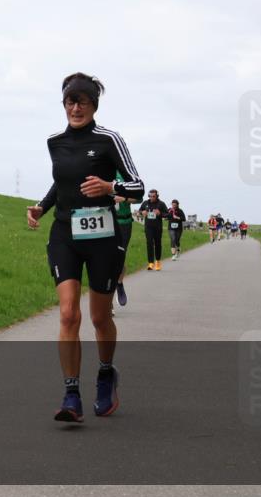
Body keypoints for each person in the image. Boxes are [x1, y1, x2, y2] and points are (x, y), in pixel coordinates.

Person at [27, 73, 144, 423]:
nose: (75, 107)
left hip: (102, 238)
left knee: (99, 317)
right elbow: (60, 181)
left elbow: (137, 186)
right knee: (67, 314)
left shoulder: (109, 139)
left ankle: (106, 372)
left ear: (94, 105)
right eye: (70, 101)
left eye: (83, 101)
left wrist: (110, 187)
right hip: (65, 233)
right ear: (63, 104)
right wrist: (41, 207)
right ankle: (71, 393)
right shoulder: (54, 142)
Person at [112, 171, 134, 307]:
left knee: (120, 259)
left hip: (125, 223)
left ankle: (119, 283)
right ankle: (108, 304)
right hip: (107, 221)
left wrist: (124, 199)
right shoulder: (99, 169)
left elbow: (138, 198)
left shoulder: (125, 173)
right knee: (105, 261)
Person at [138, 190, 169, 270]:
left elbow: (167, 214)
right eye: (150, 196)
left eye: (153, 196)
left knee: (158, 243)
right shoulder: (145, 203)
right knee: (149, 243)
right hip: (148, 227)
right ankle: (151, 263)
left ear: (157, 196)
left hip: (157, 227)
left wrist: (160, 214)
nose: (151, 198)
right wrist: (142, 212)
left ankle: (158, 262)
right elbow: (139, 211)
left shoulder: (161, 204)